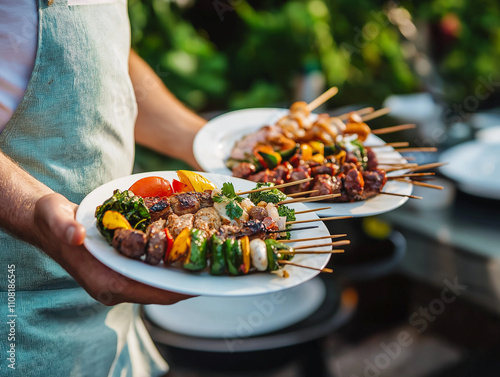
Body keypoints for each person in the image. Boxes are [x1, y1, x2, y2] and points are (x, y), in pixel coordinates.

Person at [0, 0, 205, 376]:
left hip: (116, 322)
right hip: (15, 321)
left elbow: (98, 55)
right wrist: (28, 208)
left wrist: (207, 142)